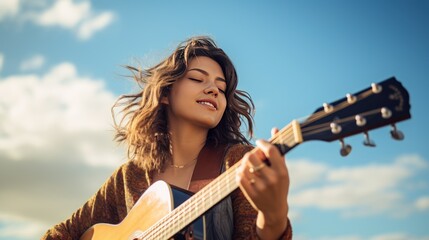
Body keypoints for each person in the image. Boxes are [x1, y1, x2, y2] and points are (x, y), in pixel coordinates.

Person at [42, 36, 292, 239]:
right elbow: (59, 234)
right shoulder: (129, 177)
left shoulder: (239, 162)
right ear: (165, 94)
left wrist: (274, 218)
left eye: (221, 87)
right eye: (196, 78)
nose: (213, 89)